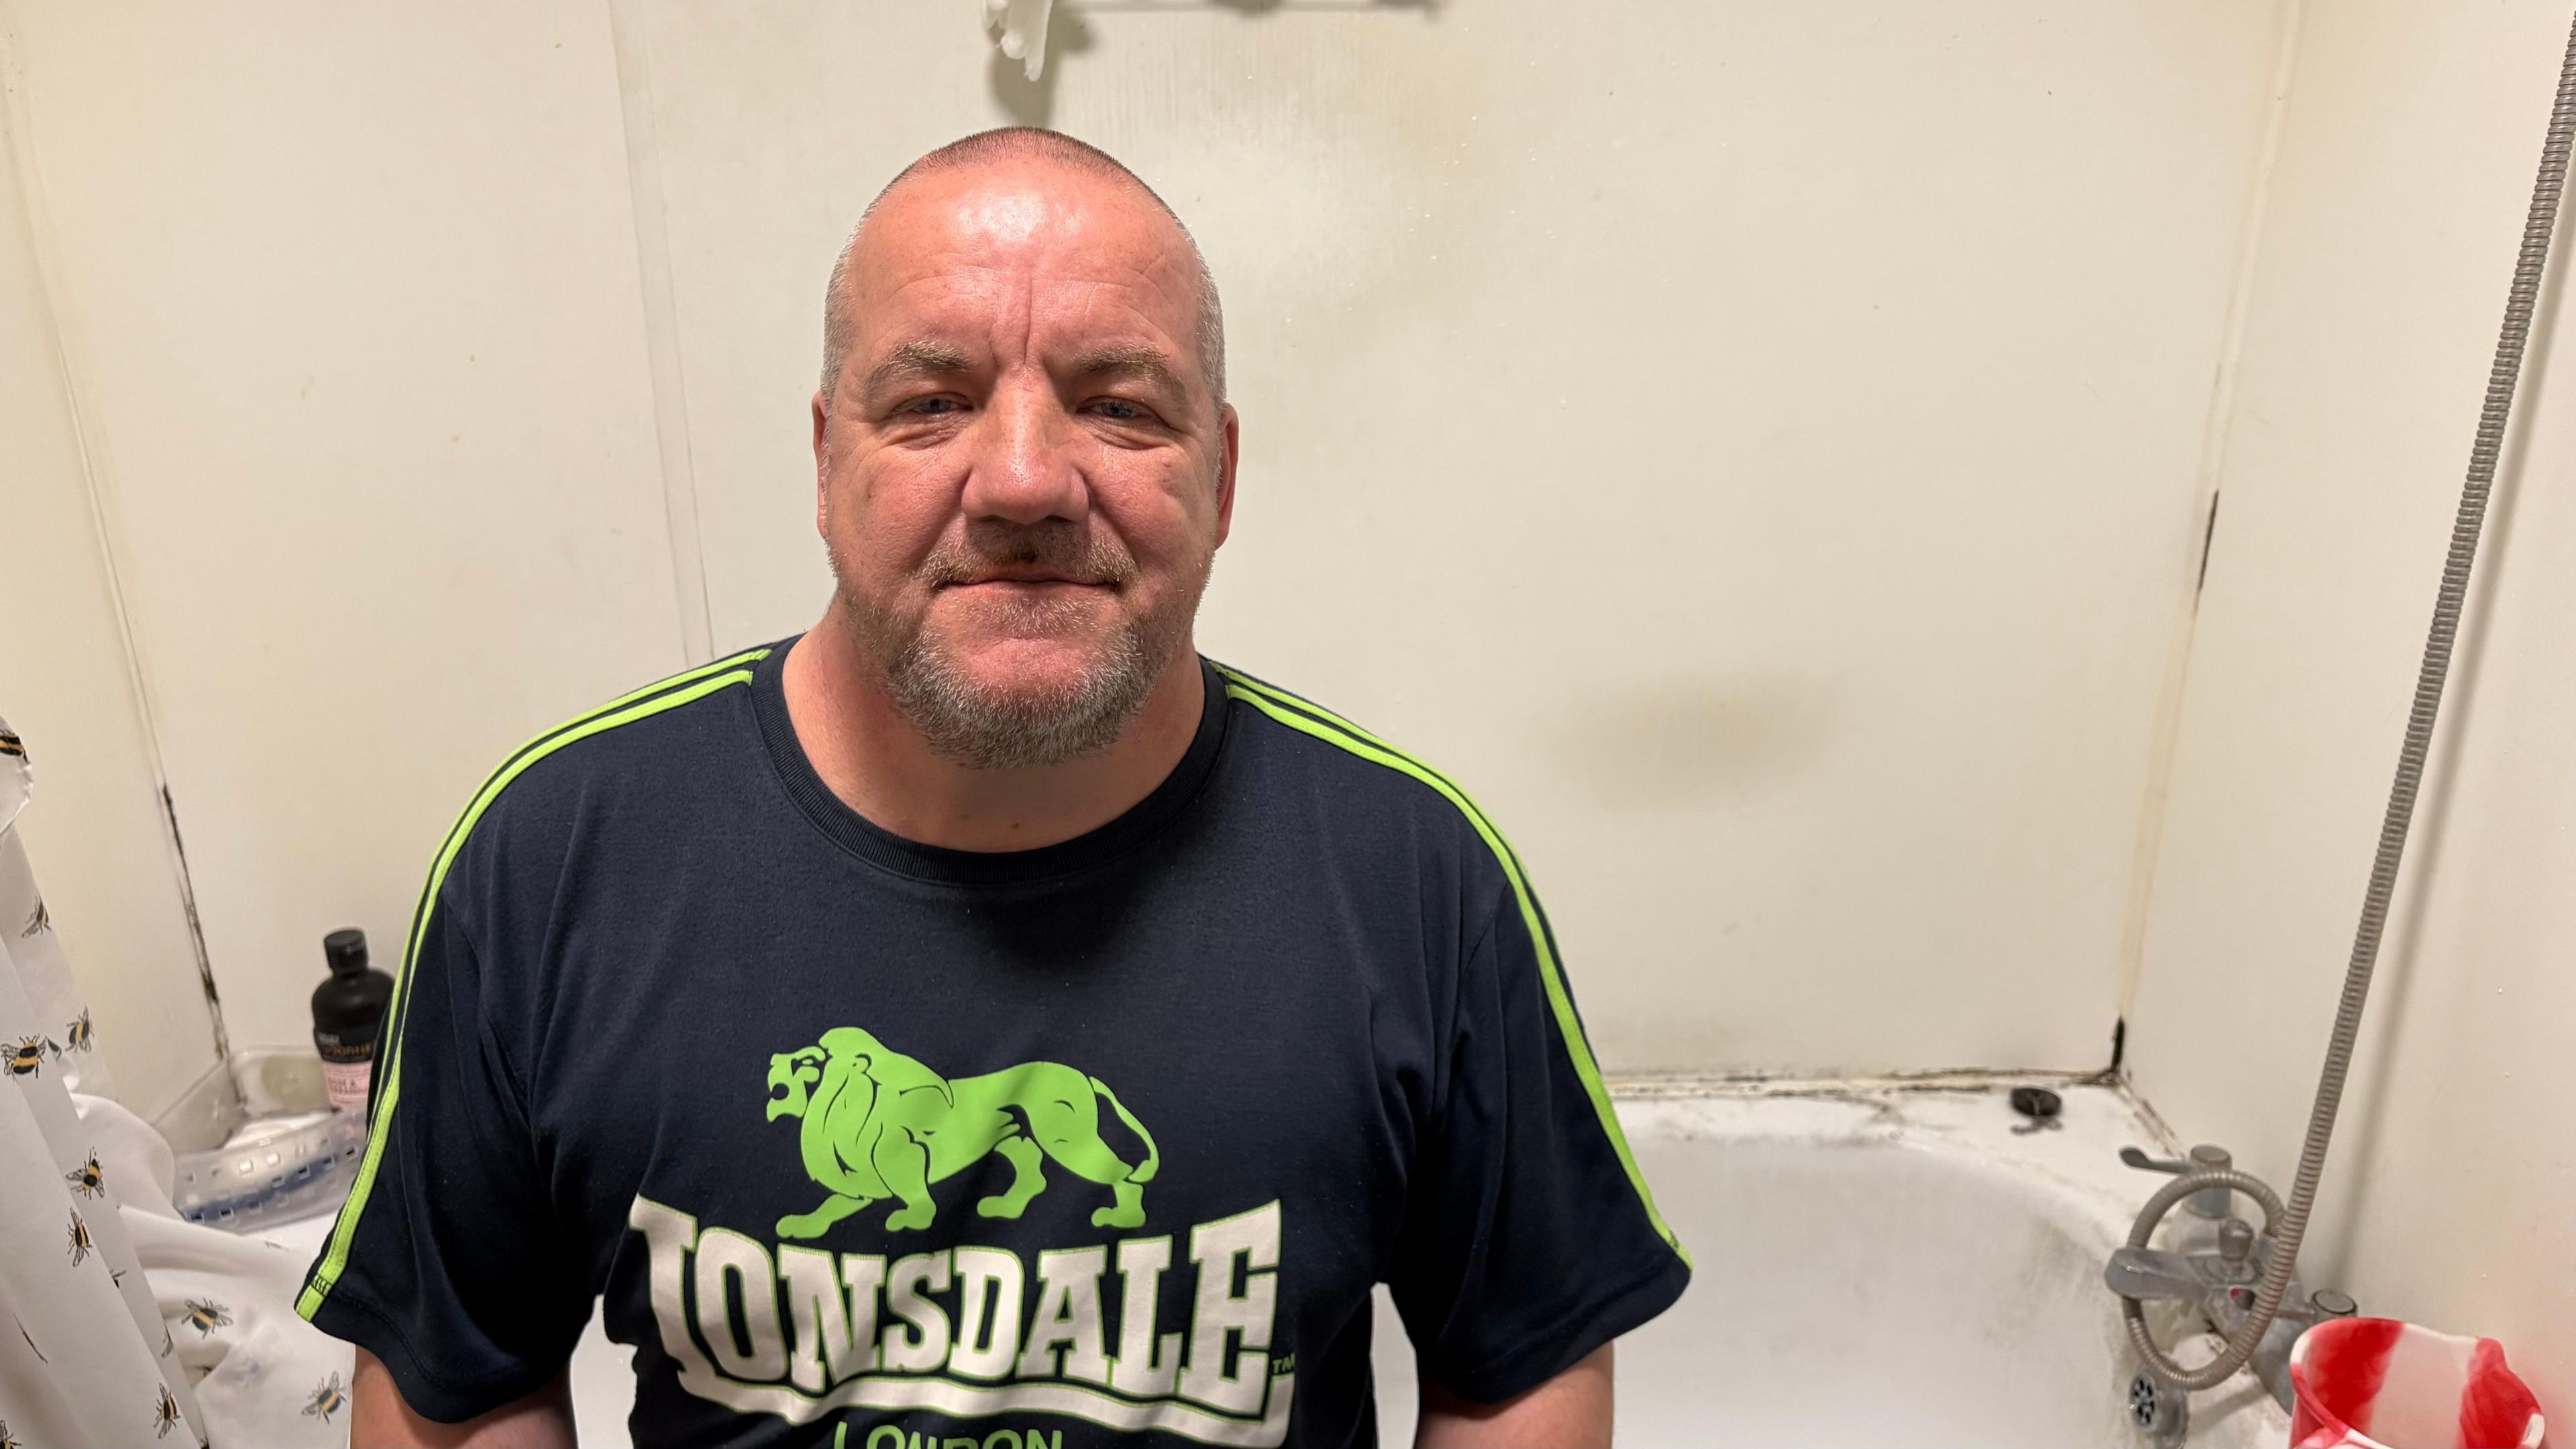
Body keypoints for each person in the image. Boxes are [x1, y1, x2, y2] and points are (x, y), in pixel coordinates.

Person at [299, 127, 1687, 1449]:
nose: (1024, 481)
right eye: (933, 404)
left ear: (1223, 475)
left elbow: (1520, 1364)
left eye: (1120, 405)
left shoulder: (1416, 880)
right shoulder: (549, 864)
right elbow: (455, 1383)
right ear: (828, 459)